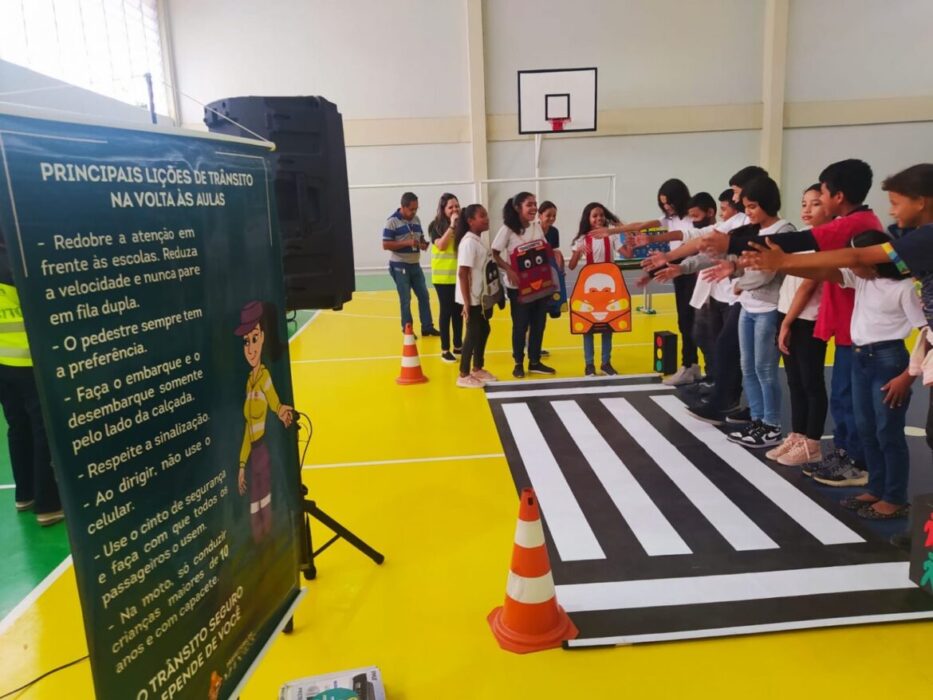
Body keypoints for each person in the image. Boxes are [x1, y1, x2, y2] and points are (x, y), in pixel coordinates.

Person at [716, 159, 880, 484]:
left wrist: (744, 250)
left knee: (831, 392)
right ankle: (813, 441)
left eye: (818, 199)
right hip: (837, 326)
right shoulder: (829, 231)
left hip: (841, 327)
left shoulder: (849, 227)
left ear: (836, 197)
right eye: (805, 203)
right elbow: (818, 267)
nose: (809, 207)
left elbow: (811, 268)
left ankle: (846, 456)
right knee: (826, 391)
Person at [702, 175, 794, 448]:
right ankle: (756, 419)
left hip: (768, 309)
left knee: (765, 370)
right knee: (748, 367)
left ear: (767, 203)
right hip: (748, 308)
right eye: (746, 207)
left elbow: (767, 272)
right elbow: (744, 262)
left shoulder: (784, 231)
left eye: (752, 206)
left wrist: (739, 280)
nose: (749, 212)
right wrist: (734, 268)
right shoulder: (754, 232)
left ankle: (771, 424)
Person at [0, 226, 62, 526]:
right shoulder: (13, 262)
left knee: (17, 426)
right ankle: (49, 504)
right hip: (29, 360)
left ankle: (24, 494)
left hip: (2, 362)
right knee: (44, 431)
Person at [767, 185, 828, 466]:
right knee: (794, 381)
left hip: (807, 320)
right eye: (804, 203)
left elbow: (807, 286)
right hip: (786, 313)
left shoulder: (824, 243)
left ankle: (812, 444)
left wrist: (787, 323)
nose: (806, 209)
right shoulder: (801, 240)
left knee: (811, 382)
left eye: (815, 204)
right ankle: (798, 434)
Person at [235, 301, 294, 543]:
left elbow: (275, 401)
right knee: (253, 502)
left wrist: (282, 412)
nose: (250, 348)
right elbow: (247, 431)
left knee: (264, 499)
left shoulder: (264, 378)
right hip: (251, 453)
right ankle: (259, 544)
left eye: (255, 339)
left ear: (264, 338)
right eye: (246, 341)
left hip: (262, 452)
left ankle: (268, 540)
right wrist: (240, 465)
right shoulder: (249, 382)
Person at [492, 192, 556, 378]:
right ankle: (518, 362)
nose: (534, 208)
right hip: (518, 287)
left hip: (540, 285)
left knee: (539, 324)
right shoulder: (507, 229)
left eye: (535, 204)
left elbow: (543, 252)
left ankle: (535, 361)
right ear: (518, 208)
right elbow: (495, 253)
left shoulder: (537, 228)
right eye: (530, 204)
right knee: (520, 325)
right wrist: (509, 270)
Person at [568, 202, 629, 376]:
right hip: (590, 291)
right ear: (588, 219)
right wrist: (578, 251)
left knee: (608, 325)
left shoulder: (612, 236)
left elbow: (628, 254)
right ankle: (589, 364)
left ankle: (606, 362)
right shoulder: (582, 239)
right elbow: (571, 266)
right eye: (594, 215)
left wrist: (627, 235)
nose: (599, 218)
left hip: (610, 289)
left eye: (601, 215)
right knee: (588, 326)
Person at [383, 192, 439, 337]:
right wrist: (406, 243)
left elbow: (420, 238)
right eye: (411, 209)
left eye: (416, 209)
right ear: (403, 207)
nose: (414, 212)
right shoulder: (392, 221)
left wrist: (423, 244)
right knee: (406, 299)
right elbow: (385, 244)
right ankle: (407, 328)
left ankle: (427, 327)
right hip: (400, 265)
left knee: (424, 296)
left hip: (415, 264)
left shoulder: (416, 220)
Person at [455, 204, 498, 388]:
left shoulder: (478, 240)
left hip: (480, 297)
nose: (486, 218)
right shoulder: (468, 243)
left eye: (486, 215)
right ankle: (463, 374)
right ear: (470, 221)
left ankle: (477, 368)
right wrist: (466, 303)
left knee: (484, 329)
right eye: (482, 216)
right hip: (471, 298)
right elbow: (462, 273)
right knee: (472, 334)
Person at [428, 193, 463, 362]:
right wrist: (451, 226)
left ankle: (458, 345)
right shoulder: (435, 226)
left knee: (459, 312)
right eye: (451, 207)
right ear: (443, 209)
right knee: (446, 311)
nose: (455, 209)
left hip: (459, 277)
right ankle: (445, 349)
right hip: (442, 279)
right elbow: (441, 246)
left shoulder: (463, 226)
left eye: (457, 206)